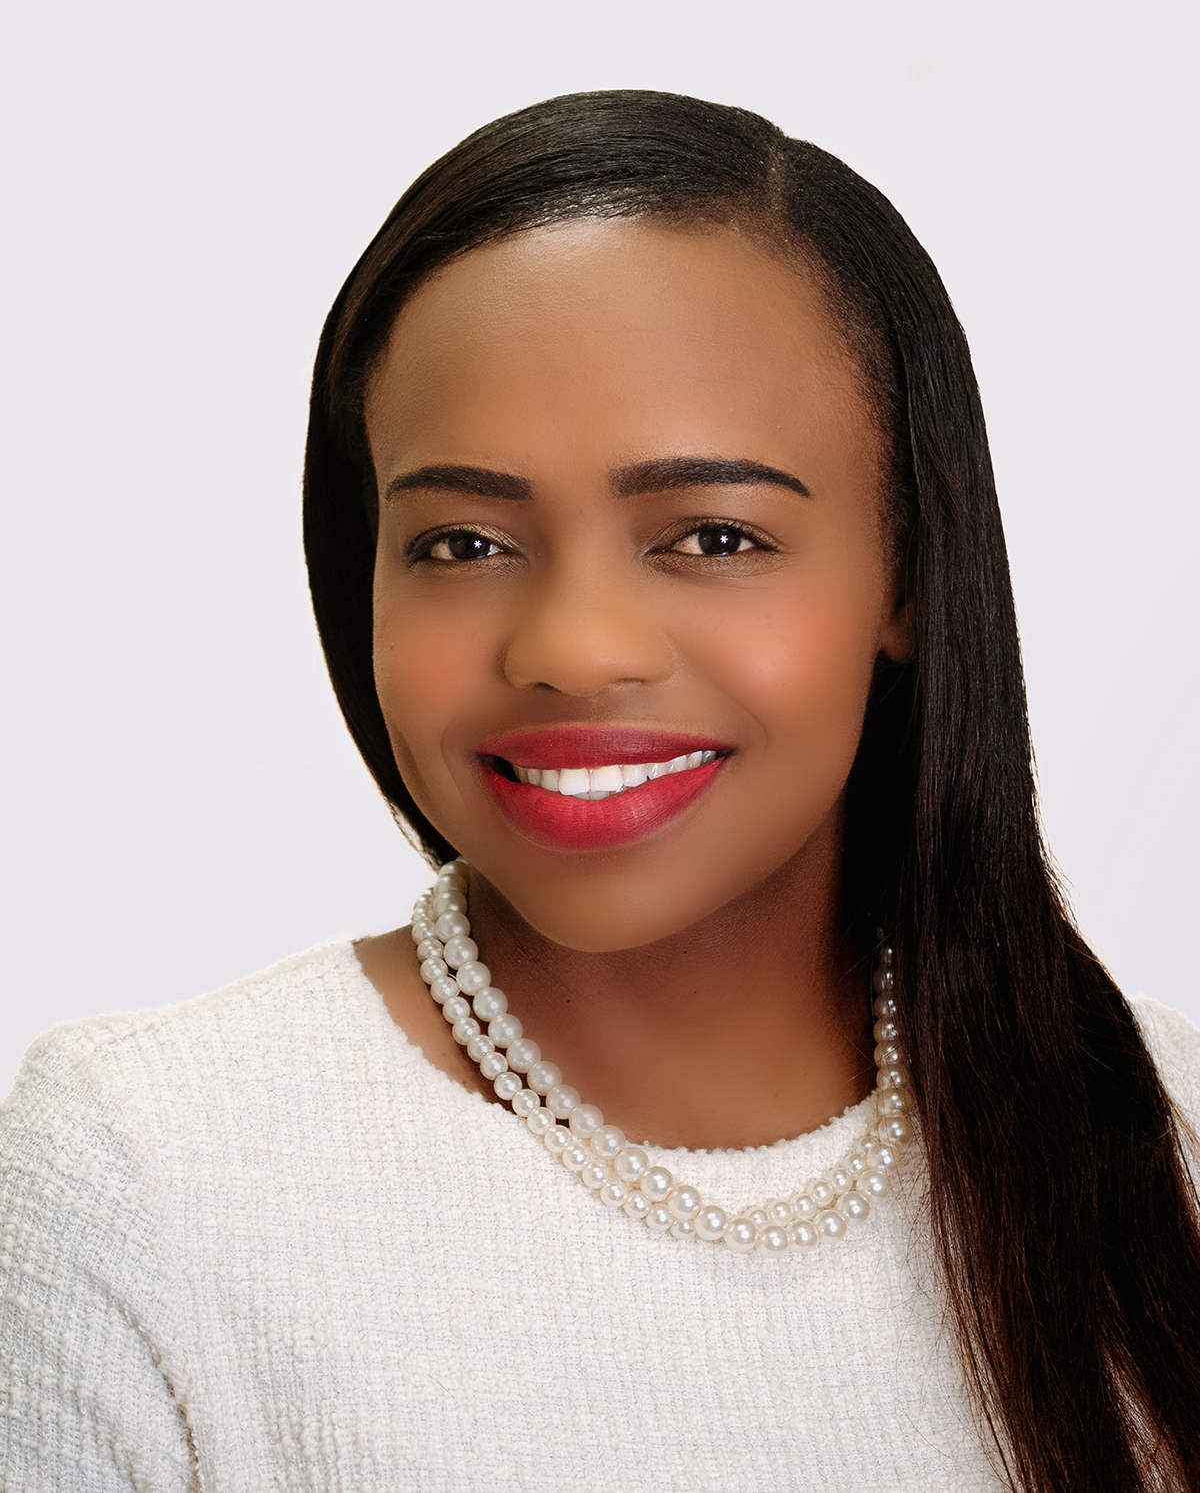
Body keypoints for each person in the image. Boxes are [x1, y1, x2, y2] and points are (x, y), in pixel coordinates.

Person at [2, 89, 1198, 1492]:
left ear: (910, 579)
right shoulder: (146, 1171)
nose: (572, 650)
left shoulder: (1165, 1127)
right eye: (461, 543)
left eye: (713, 536)